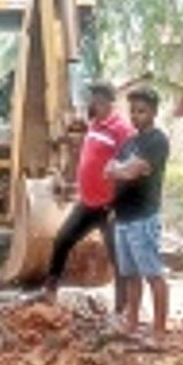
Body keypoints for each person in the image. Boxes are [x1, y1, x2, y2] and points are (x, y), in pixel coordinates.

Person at [44, 81, 134, 309]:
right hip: (87, 204)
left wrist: (119, 204)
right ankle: (50, 291)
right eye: (92, 98)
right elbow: (87, 160)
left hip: (109, 207)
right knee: (62, 240)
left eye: (96, 99)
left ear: (108, 102)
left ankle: (121, 309)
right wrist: (73, 184)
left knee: (118, 259)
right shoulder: (93, 125)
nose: (92, 103)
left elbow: (130, 170)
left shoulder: (122, 130)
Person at [109, 85, 170, 346]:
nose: (136, 116)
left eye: (142, 111)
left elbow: (130, 171)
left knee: (153, 275)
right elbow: (111, 170)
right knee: (131, 276)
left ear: (154, 112)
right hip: (123, 219)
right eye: (132, 111)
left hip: (144, 218)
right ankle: (132, 323)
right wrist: (122, 170)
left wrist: (122, 170)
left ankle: (158, 332)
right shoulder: (130, 142)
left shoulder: (157, 141)